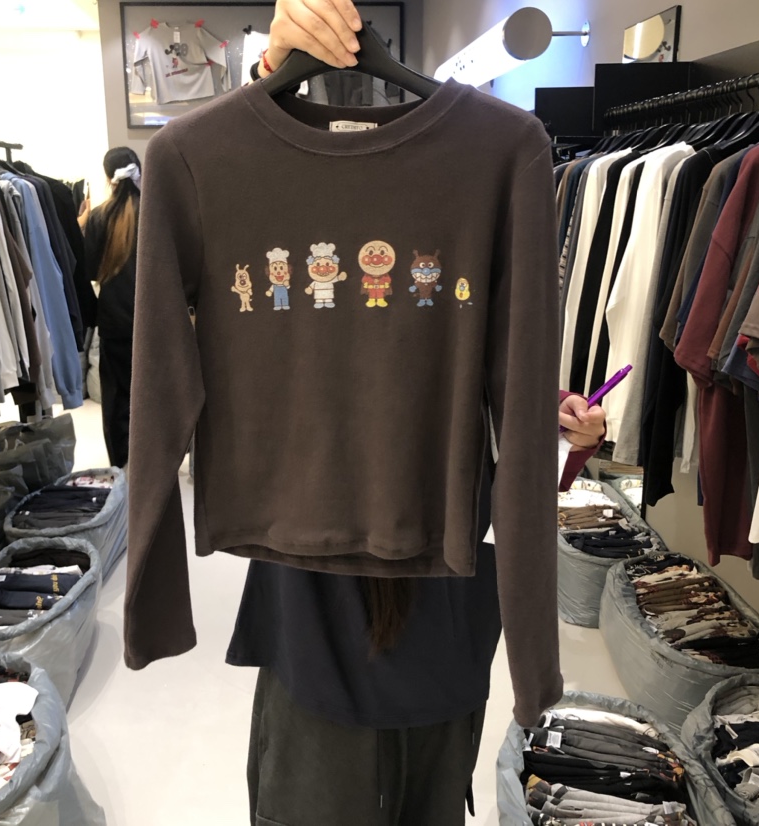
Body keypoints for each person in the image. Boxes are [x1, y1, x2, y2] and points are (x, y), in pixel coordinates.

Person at [225, 4, 609, 824]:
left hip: (436, 633)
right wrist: (269, 77)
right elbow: (246, 223)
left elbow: (507, 436)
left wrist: (552, 431)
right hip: (325, 633)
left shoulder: (486, 191)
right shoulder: (306, 322)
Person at [84, 147, 141, 468]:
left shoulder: (98, 217)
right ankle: (160, 461)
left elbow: (92, 271)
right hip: (153, 322)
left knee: (117, 397)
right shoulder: (156, 212)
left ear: (108, 178)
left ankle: (122, 465)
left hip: (115, 321)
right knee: (156, 393)